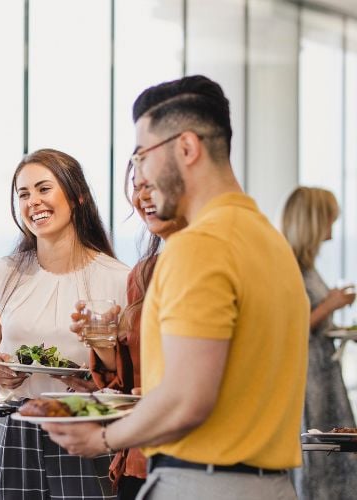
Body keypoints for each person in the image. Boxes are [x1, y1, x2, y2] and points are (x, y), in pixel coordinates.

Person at [42, 75, 309, 500]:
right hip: (272, 486)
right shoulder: (270, 242)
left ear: (187, 148)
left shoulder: (197, 247)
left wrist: (102, 440)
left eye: (143, 156)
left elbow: (189, 400)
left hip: (201, 484)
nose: (141, 176)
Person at [0, 148, 129, 499]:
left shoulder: (118, 279)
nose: (33, 202)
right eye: (23, 194)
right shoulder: (2, 274)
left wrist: (100, 359)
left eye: (43, 189)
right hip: (17, 434)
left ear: (77, 195)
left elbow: (131, 380)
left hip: (86, 430)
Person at [68, 162, 186, 500]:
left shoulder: (219, 264)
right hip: (140, 460)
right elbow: (125, 381)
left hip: (195, 461)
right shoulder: (142, 275)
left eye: (152, 184)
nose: (142, 196)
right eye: (136, 186)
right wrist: (101, 340)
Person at [281, 186, 357, 500]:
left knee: (333, 453)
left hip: (322, 375)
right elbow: (287, 328)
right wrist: (331, 304)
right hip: (307, 380)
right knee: (316, 457)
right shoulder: (288, 268)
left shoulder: (306, 267)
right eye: (330, 220)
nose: (332, 228)